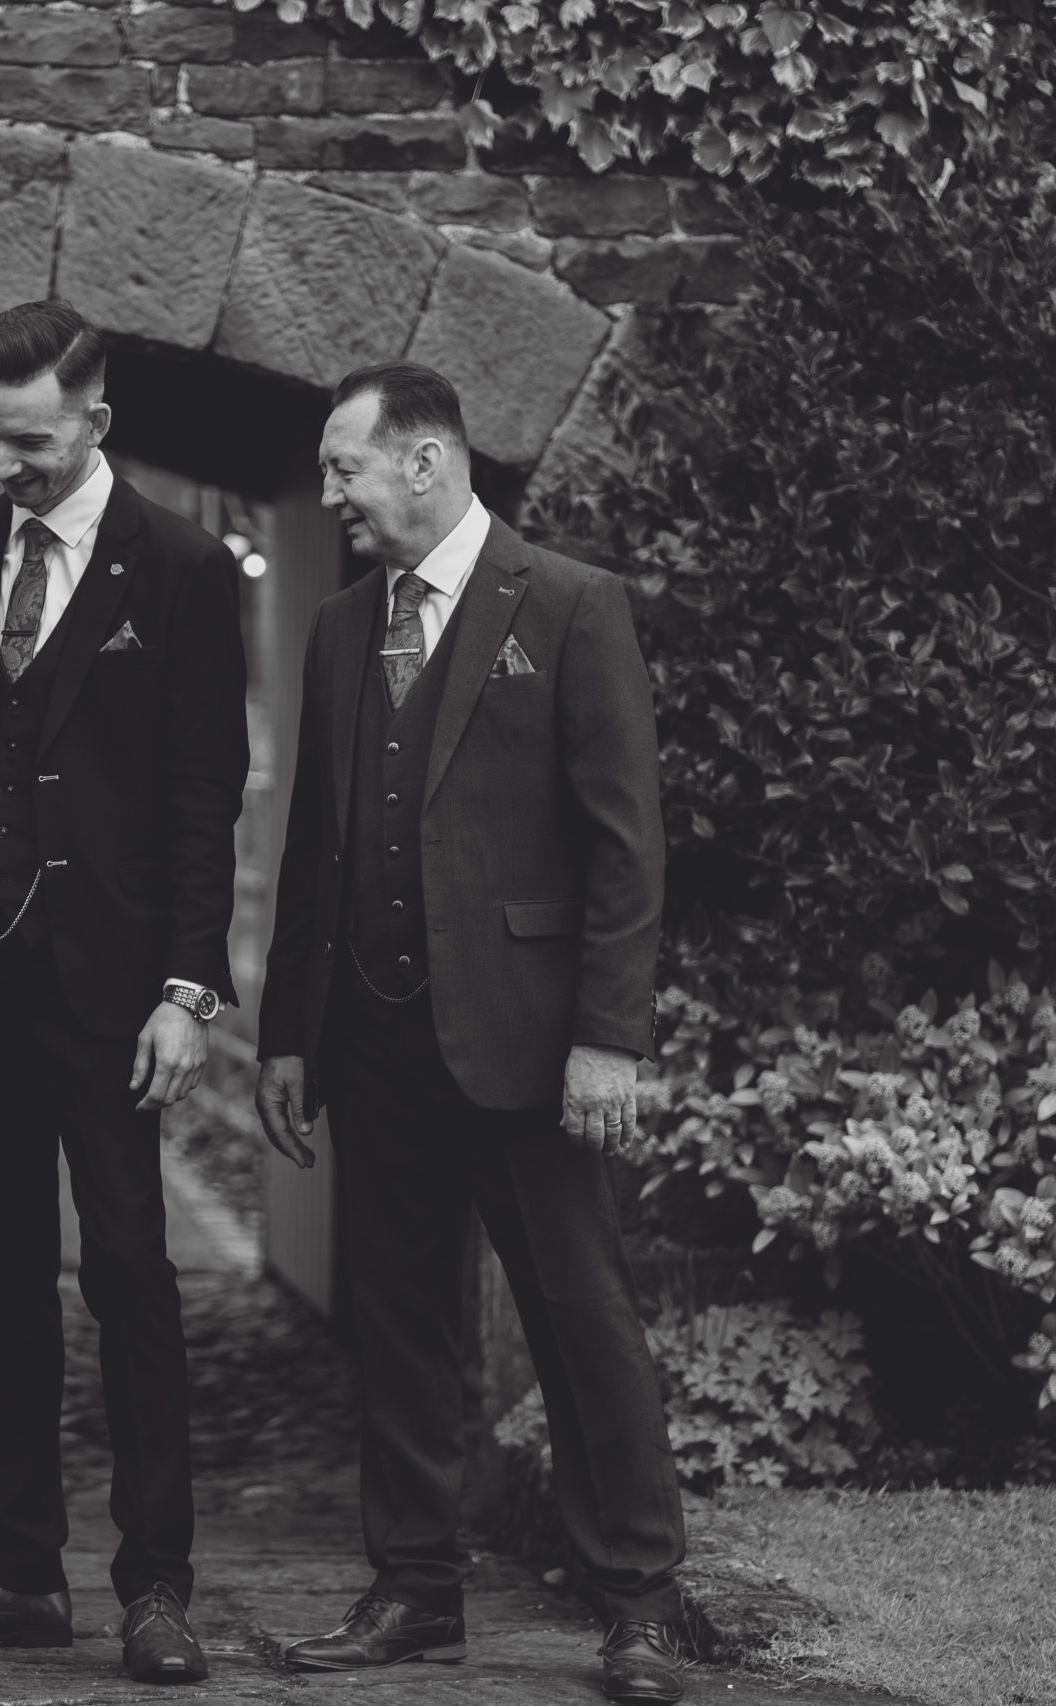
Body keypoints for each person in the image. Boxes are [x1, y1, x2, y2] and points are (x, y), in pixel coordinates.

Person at [254, 362, 689, 1706]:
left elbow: (626, 844)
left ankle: (642, 1599)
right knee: (398, 1324)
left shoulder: (567, 603)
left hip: (527, 1043)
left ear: (426, 460)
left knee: (578, 1315)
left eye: (344, 469)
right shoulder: (340, 628)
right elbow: (315, 845)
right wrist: (288, 1035)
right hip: (375, 1043)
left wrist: (607, 1037)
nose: (331, 495)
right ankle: (414, 1588)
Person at [0, 301, 249, 1684]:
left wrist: (187, 989)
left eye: (26, 441)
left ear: (95, 420)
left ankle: (157, 1585)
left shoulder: (184, 565)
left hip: (111, 982)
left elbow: (204, 791)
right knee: (4, 1262)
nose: (0, 464)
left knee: (130, 1267)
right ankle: (19, 1570)